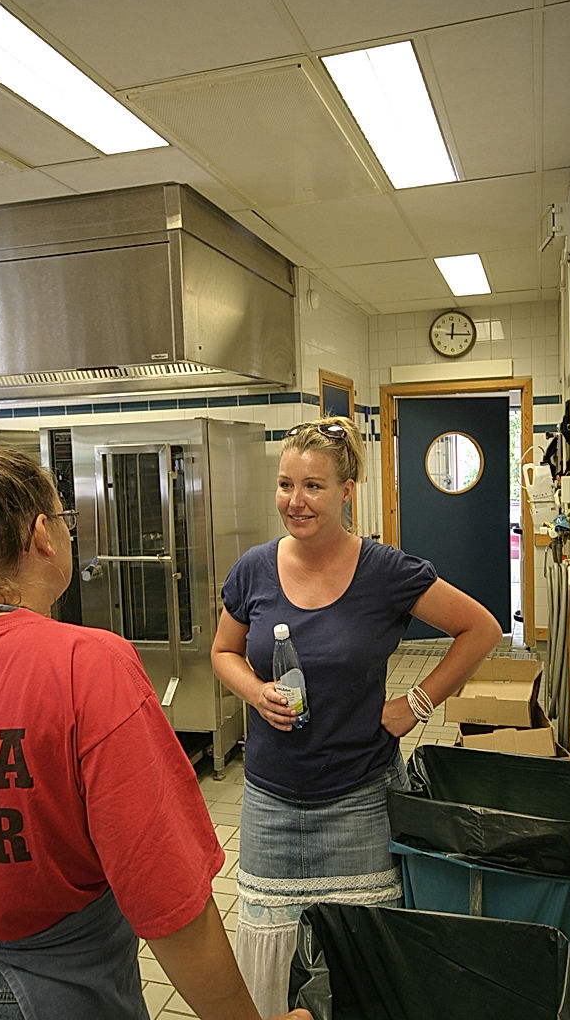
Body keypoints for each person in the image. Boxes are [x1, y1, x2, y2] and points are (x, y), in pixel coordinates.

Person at [0, 444, 312, 1020]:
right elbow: (166, 893)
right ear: (42, 536)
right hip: (52, 994)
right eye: (64, 517)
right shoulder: (84, 665)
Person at [210, 415, 503, 1016]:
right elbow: (223, 652)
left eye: (313, 486)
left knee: (359, 955)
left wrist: (417, 703)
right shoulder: (254, 569)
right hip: (269, 799)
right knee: (271, 950)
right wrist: (254, 691)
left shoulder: (386, 571)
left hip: (359, 797)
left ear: (347, 490)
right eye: (286, 484)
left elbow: (481, 629)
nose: (295, 501)